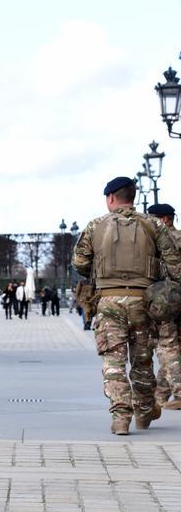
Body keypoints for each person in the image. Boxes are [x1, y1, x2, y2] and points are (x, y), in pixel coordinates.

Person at [72, 177, 181, 435]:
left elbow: (79, 263)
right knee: (142, 360)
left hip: (108, 300)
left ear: (111, 198)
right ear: (133, 196)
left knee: (113, 361)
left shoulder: (95, 226)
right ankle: (144, 410)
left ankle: (121, 417)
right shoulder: (154, 224)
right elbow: (175, 265)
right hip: (143, 299)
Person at [147, 203, 181, 410]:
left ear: (165, 219)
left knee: (166, 346)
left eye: (154, 218)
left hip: (165, 299)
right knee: (173, 348)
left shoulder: (161, 241)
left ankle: (179, 391)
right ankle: (160, 396)